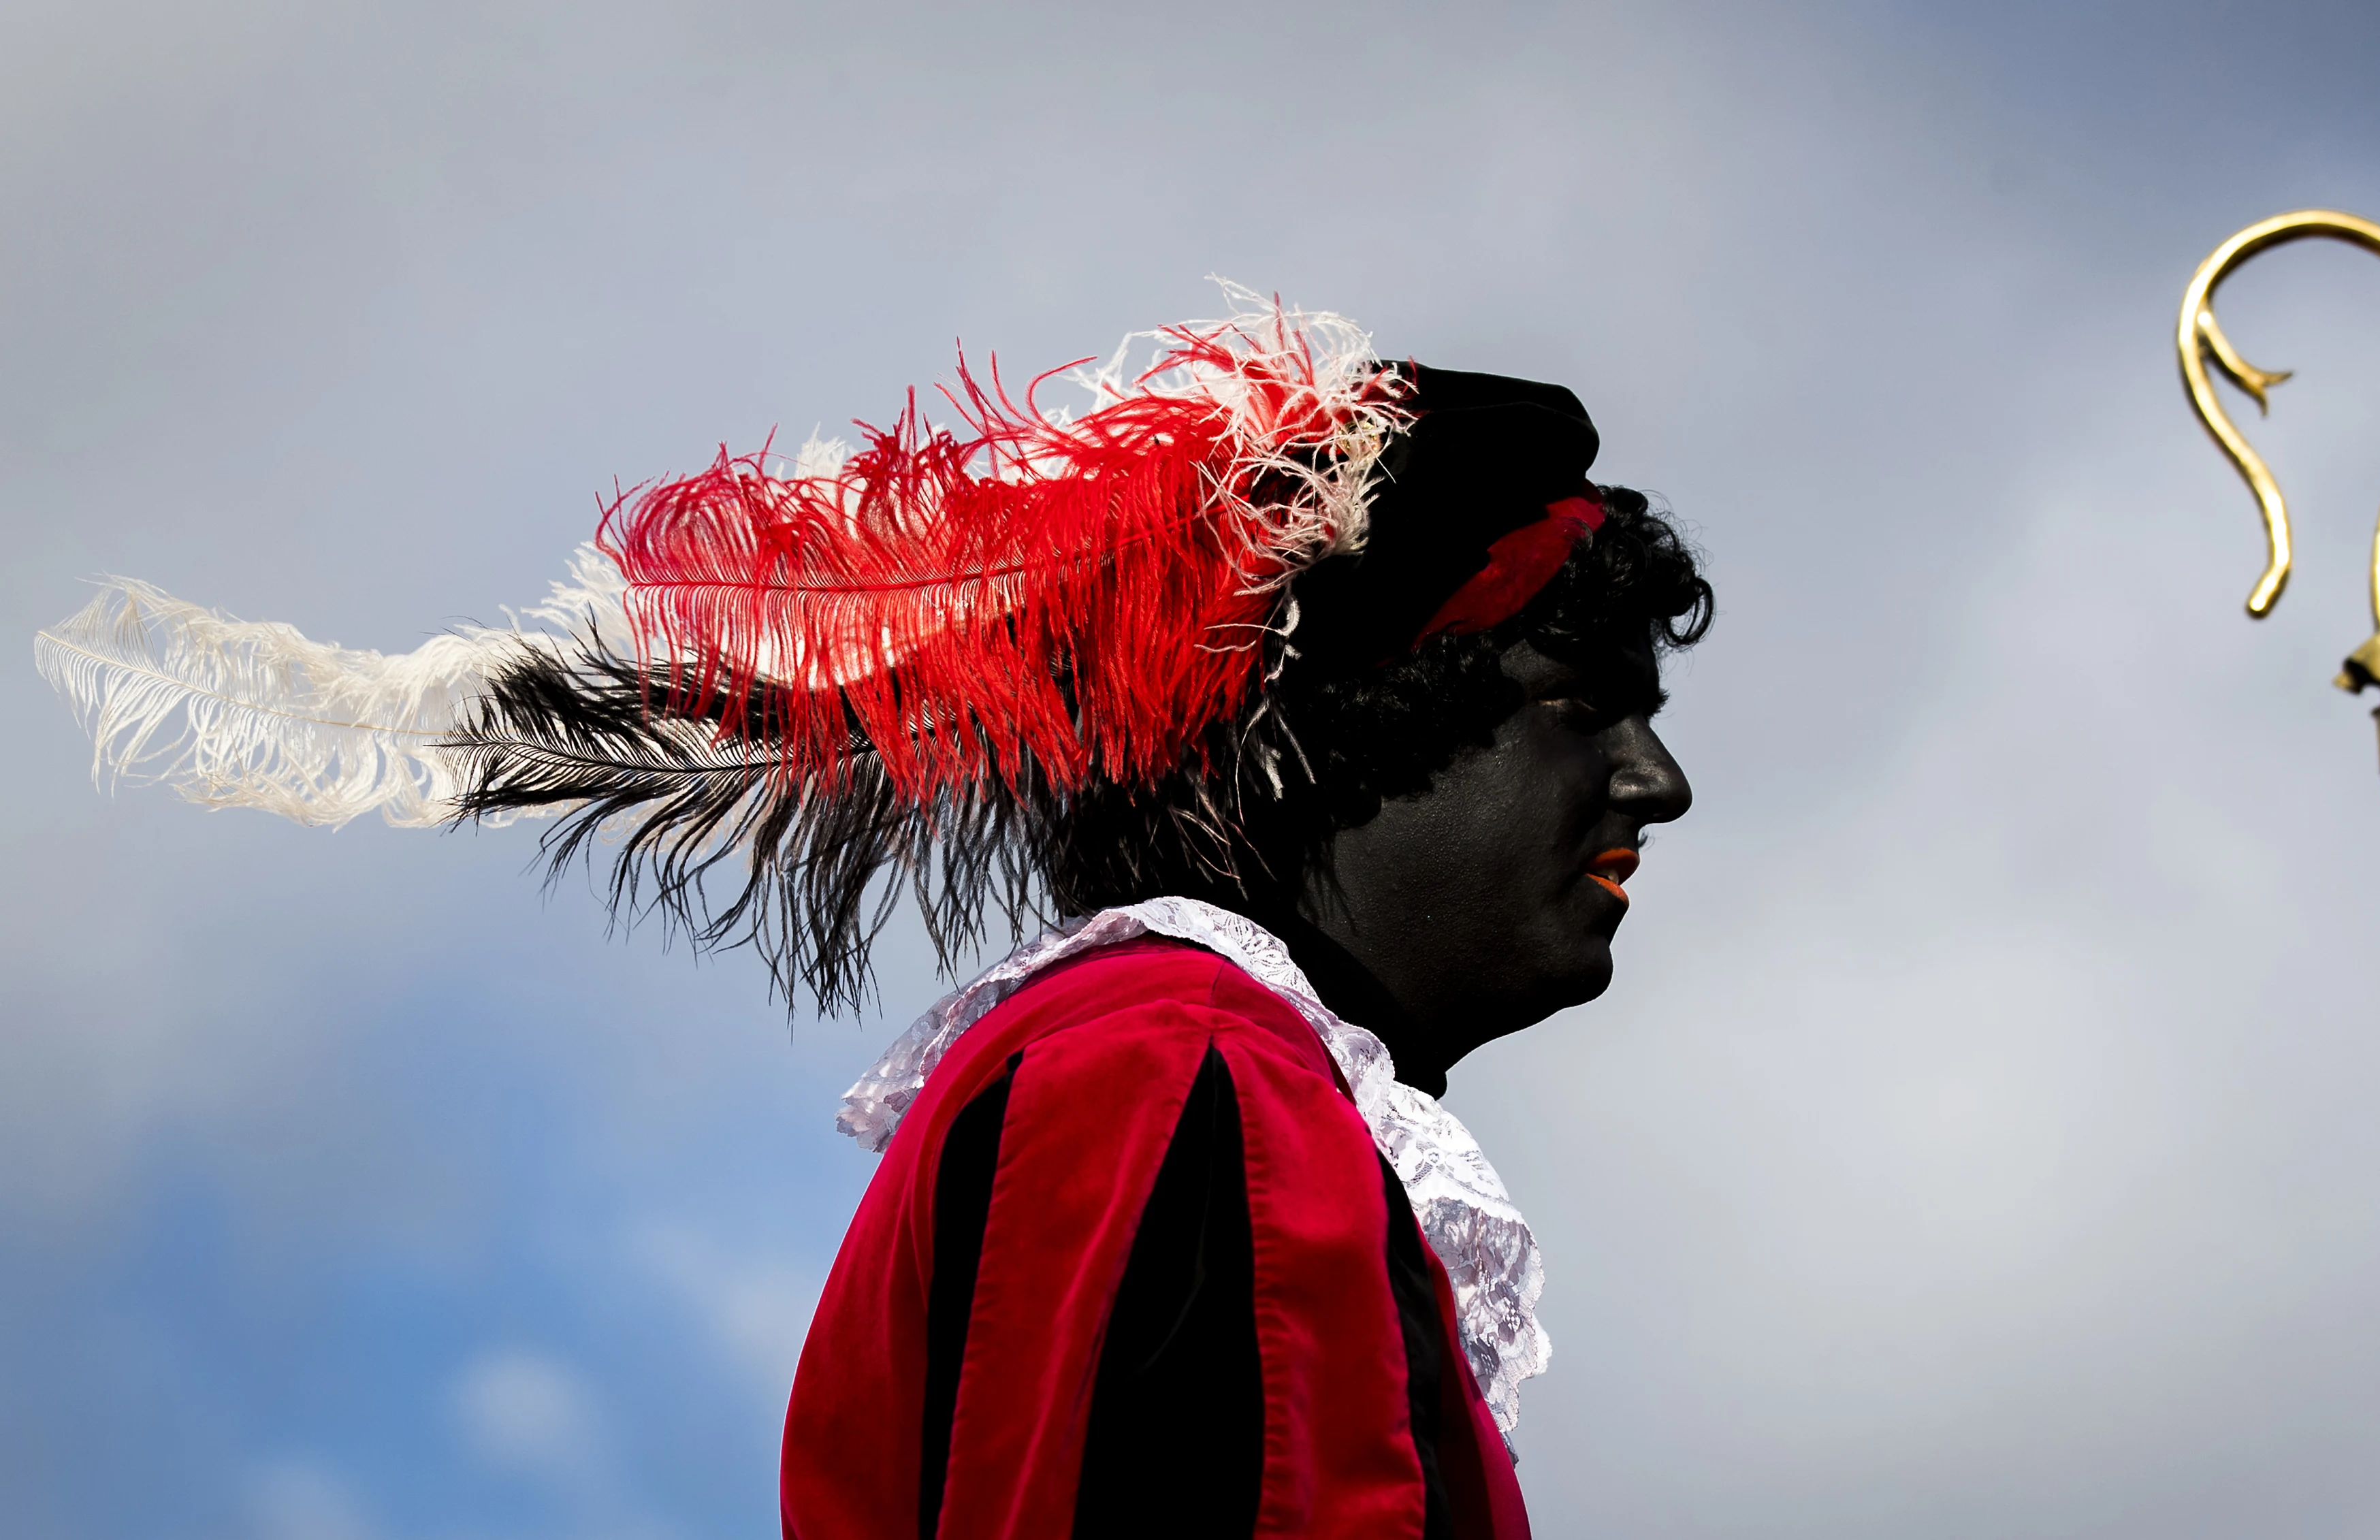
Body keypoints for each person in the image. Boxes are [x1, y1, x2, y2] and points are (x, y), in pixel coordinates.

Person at [35, 291, 1712, 1540]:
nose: (1658, 783)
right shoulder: (1181, 1078)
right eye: (1576, 698)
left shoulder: (1175, 1078)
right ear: (1319, 739)